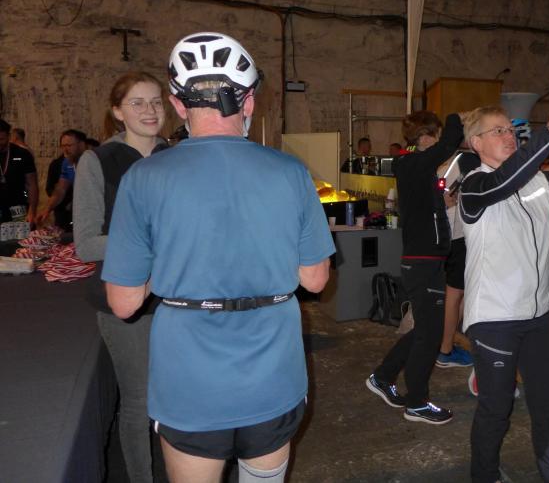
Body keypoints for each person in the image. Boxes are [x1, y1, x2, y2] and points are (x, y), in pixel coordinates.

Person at [102, 32, 334, 483]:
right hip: (272, 371)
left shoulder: (144, 178)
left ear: (177, 104)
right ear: (249, 102)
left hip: (190, 381)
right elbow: (315, 279)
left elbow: (124, 303)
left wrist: (172, 262)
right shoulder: (290, 171)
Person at [459, 87, 549, 483]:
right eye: (497, 131)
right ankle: (484, 476)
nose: (508, 135)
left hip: (538, 317)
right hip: (494, 319)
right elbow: (505, 181)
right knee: (496, 409)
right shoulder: (474, 187)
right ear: (476, 143)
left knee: (547, 405)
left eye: (510, 130)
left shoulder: (537, 183)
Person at [74, 71, 169, 483]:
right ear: (117, 112)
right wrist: (152, 242)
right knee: (139, 401)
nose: (150, 110)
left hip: (177, 298)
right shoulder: (98, 162)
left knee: (177, 396)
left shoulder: (176, 157)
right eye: (137, 103)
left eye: (156, 102)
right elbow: (86, 244)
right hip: (126, 302)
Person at [366, 110, 462, 425]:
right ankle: (417, 402)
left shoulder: (418, 169)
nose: (439, 142)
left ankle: (383, 377)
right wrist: (457, 117)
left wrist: (440, 202)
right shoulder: (413, 163)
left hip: (426, 259)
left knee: (425, 329)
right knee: (430, 335)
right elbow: (450, 142)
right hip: (424, 261)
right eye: (436, 135)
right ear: (425, 136)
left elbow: (422, 207)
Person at [435, 146, 480, 368]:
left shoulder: (452, 161)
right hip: (458, 235)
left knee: (457, 294)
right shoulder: (466, 160)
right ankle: (445, 350)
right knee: (455, 294)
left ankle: (446, 343)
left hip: (451, 234)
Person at [40, 129, 87, 230]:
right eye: (63, 146)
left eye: (69, 145)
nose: (65, 149)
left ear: (81, 145)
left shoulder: (92, 161)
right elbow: (61, 189)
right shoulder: (67, 163)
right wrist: (47, 209)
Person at [0, 119, 38, 224]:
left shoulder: (22, 154)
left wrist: (32, 211)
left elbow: (32, 184)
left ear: (9, 136)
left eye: (1, 139)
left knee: (20, 233)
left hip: (18, 206)